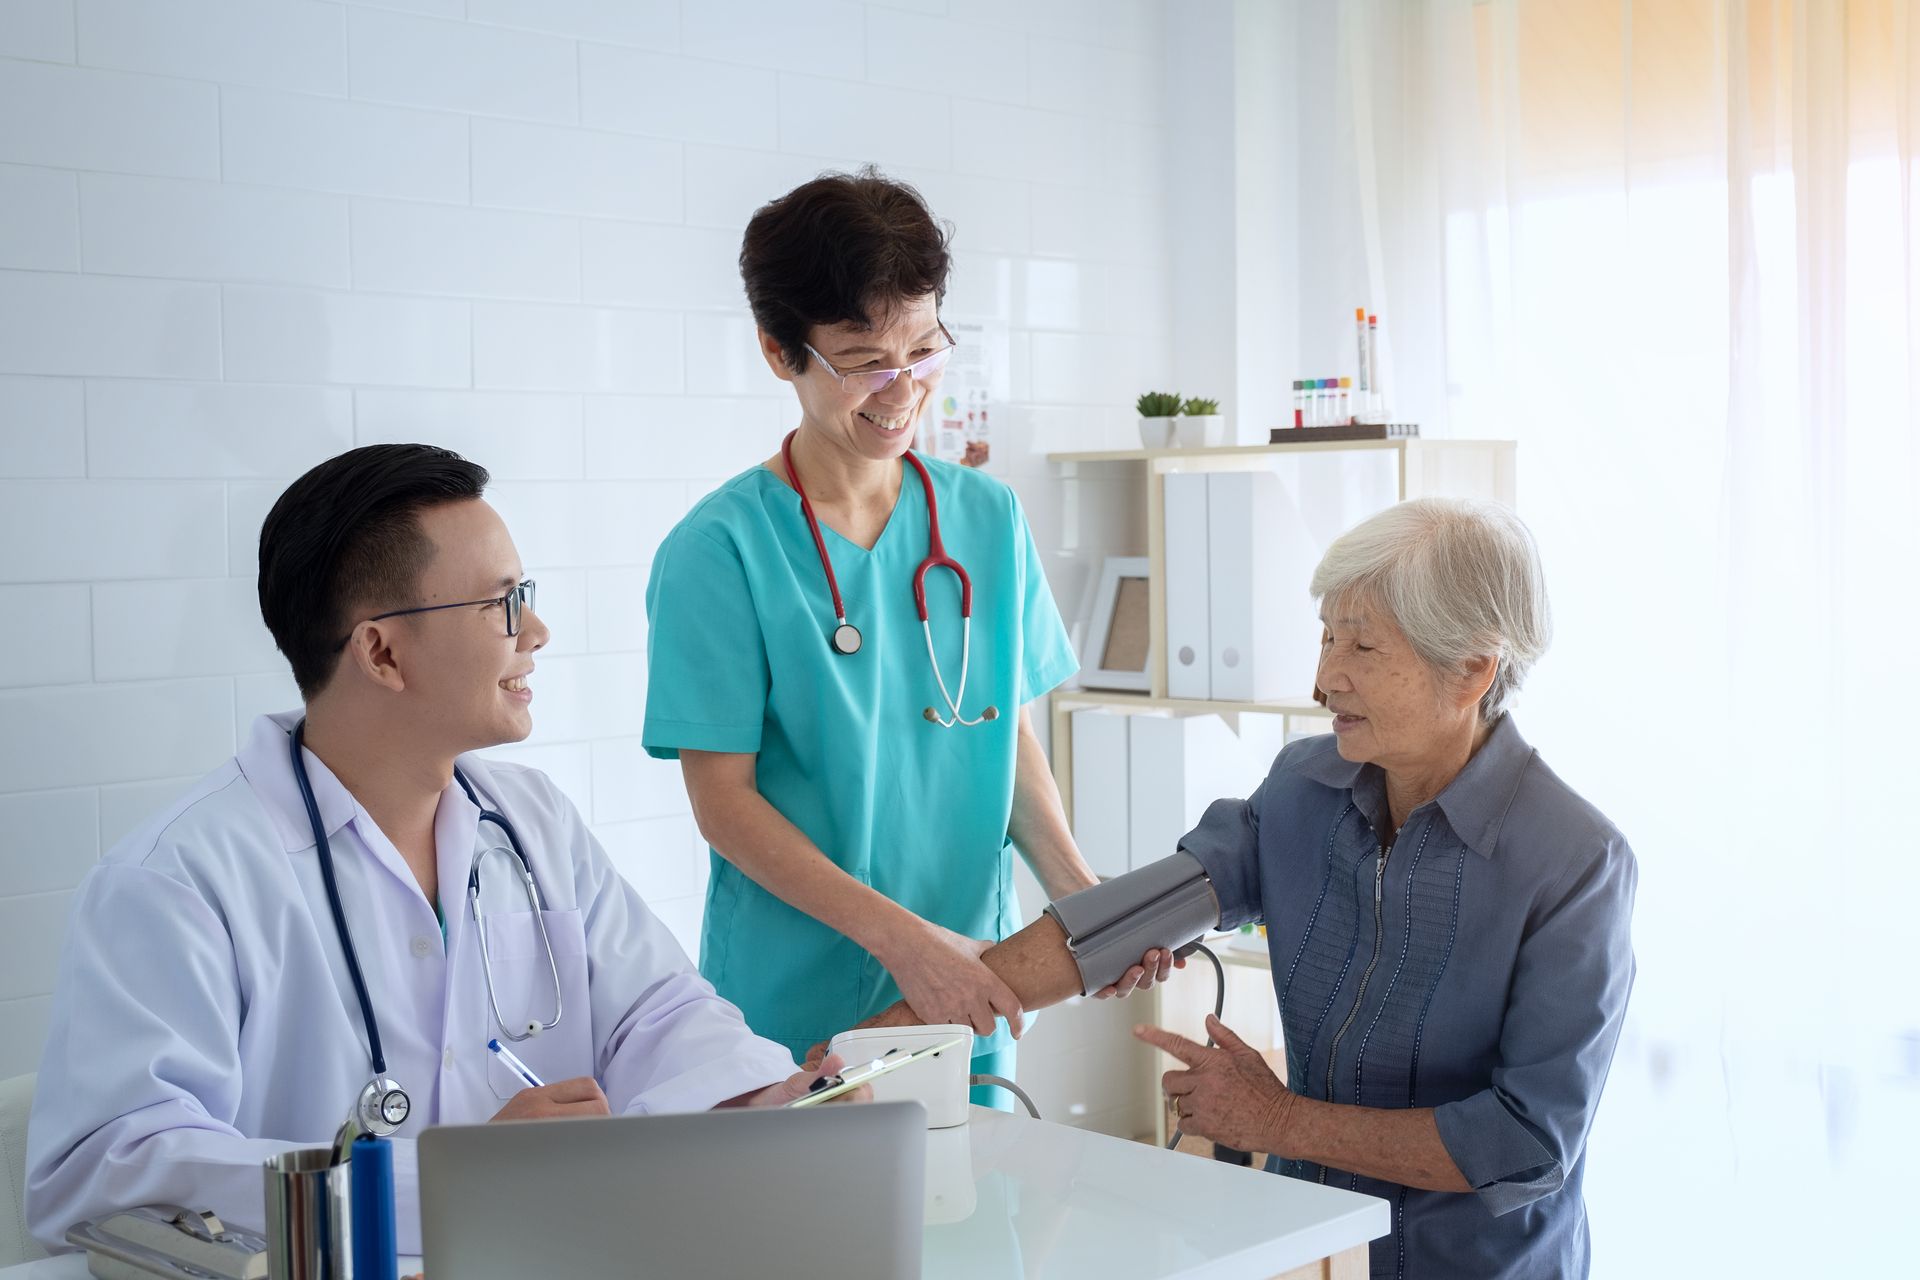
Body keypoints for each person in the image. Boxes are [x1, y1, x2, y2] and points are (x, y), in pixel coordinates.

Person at [26, 444, 848, 1255]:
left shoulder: (530, 820)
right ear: (380, 651)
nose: (538, 632)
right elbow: (110, 1165)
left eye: (526, 595)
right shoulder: (181, 879)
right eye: (503, 606)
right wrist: (450, 1181)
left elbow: (656, 1012)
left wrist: (761, 1098)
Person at [837, 498, 1637, 1279]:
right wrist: (860, 1062)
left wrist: (1278, 1120)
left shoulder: (1574, 864)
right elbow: (1121, 924)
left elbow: (1527, 1144)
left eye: (1361, 648)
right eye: (1326, 637)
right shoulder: (1305, 788)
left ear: (1469, 671)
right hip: (1305, 1247)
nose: (1324, 680)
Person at [642, 168, 1171, 1103]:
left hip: (970, 977)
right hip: (794, 994)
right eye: (862, 359)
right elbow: (723, 804)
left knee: (968, 1230)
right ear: (779, 351)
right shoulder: (718, 550)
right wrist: (903, 942)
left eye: (924, 351)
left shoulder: (986, 521)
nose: (903, 389)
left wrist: (1081, 899)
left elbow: (1001, 733)